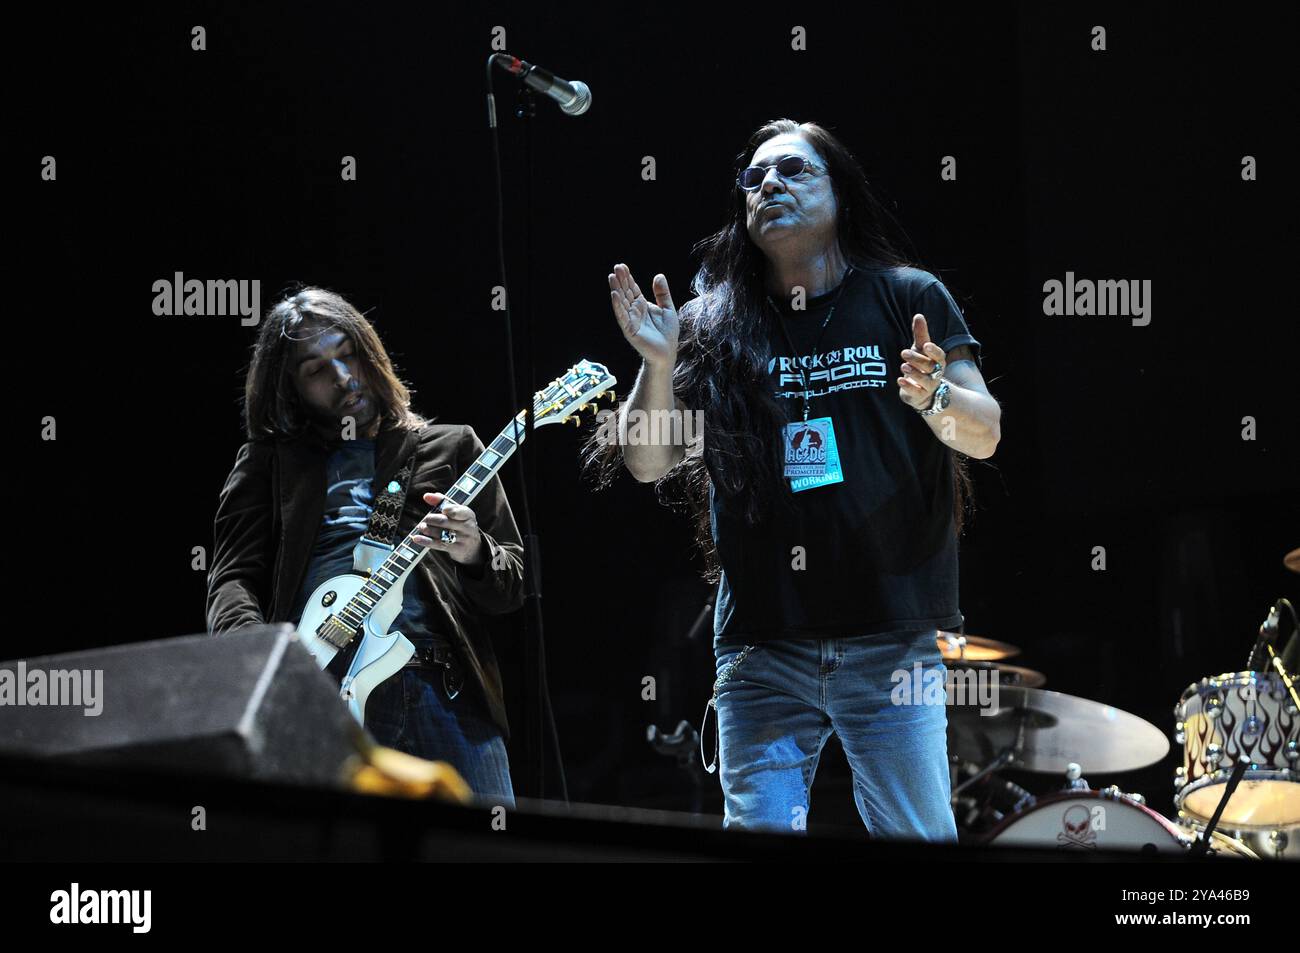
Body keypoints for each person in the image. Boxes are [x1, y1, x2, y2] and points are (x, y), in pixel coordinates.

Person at [594, 119, 1001, 837]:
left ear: (839, 193)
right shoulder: (711, 324)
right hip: (761, 645)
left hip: (889, 636)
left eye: (792, 171)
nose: (769, 185)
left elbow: (986, 432)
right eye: (753, 179)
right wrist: (657, 365)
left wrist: (935, 396)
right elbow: (648, 459)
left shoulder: (908, 296)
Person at [206, 287, 524, 804]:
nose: (342, 377)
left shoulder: (453, 446)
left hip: (443, 691)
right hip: (322, 693)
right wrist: (266, 664)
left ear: (369, 349)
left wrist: (473, 550)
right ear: (291, 388)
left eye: (347, 352)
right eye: (315, 369)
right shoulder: (270, 463)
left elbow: (512, 586)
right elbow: (232, 579)